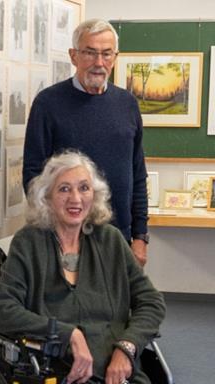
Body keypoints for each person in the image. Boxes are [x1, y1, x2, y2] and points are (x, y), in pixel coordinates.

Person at [0, 151, 193, 384]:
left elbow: (151, 301)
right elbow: (3, 309)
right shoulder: (29, 244)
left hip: (124, 378)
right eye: (64, 189)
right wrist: (67, 333)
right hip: (67, 380)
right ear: (47, 198)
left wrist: (126, 349)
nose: (75, 198)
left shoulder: (110, 241)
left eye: (84, 188)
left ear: (94, 194)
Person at [23, 19, 150, 266]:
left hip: (118, 239)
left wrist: (140, 236)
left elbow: (137, 175)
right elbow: (33, 176)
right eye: (90, 53)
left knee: (118, 304)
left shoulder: (127, 105)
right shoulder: (48, 104)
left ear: (115, 57)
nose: (99, 63)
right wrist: (55, 232)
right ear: (74, 56)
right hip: (63, 240)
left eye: (106, 54)